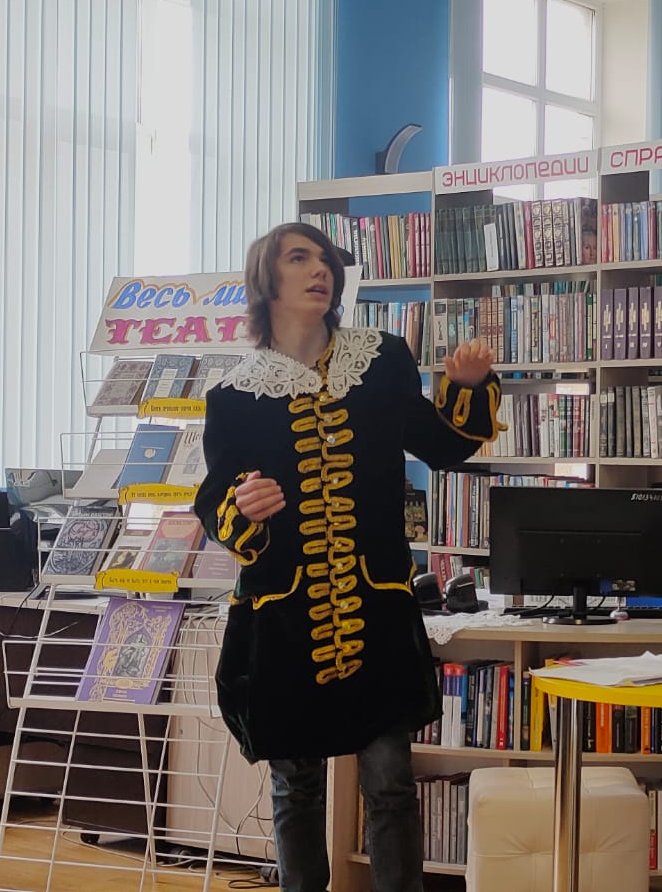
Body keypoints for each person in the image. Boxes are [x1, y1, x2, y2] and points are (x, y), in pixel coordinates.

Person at [193, 222, 502, 892]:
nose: (320, 269)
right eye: (298, 257)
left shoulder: (380, 359)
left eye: (326, 259)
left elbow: (442, 446)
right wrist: (241, 506)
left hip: (375, 610)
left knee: (390, 781)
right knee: (295, 785)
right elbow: (214, 500)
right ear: (267, 280)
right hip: (284, 617)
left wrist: (468, 386)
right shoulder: (235, 395)